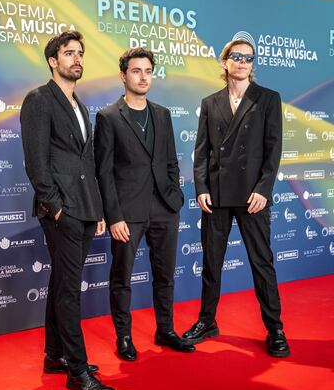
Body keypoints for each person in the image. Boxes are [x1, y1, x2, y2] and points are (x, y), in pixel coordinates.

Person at [20, 30, 116, 390]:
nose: (77, 59)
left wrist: (97, 209)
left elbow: (85, 162)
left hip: (84, 208)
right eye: (68, 53)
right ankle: (77, 371)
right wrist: (56, 208)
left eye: (80, 53)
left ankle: (54, 355)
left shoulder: (79, 104)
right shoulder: (39, 100)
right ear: (52, 61)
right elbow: (36, 162)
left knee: (61, 283)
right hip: (61, 211)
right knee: (69, 291)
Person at [182, 38, 290, 358]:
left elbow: (274, 150)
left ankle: (275, 329)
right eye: (237, 56)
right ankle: (207, 321)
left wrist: (263, 190)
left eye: (248, 57)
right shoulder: (211, 102)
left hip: (253, 195)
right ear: (225, 61)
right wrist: (201, 188)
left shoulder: (267, 99)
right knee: (211, 263)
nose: (243, 61)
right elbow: (201, 152)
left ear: (252, 64)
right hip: (216, 195)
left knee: (262, 263)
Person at [94, 47, 194, 360]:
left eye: (148, 71)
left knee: (165, 275)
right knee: (121, 277)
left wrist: (175, 198)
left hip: (165, 207)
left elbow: (170, 162)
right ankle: (124, 337)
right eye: (136, 71)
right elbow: (104, 172)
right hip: (127, 213)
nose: (143, 77)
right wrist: (114, 216)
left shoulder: (162, 114)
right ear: (123, 76)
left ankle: (165, 330)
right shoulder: (108, 117)